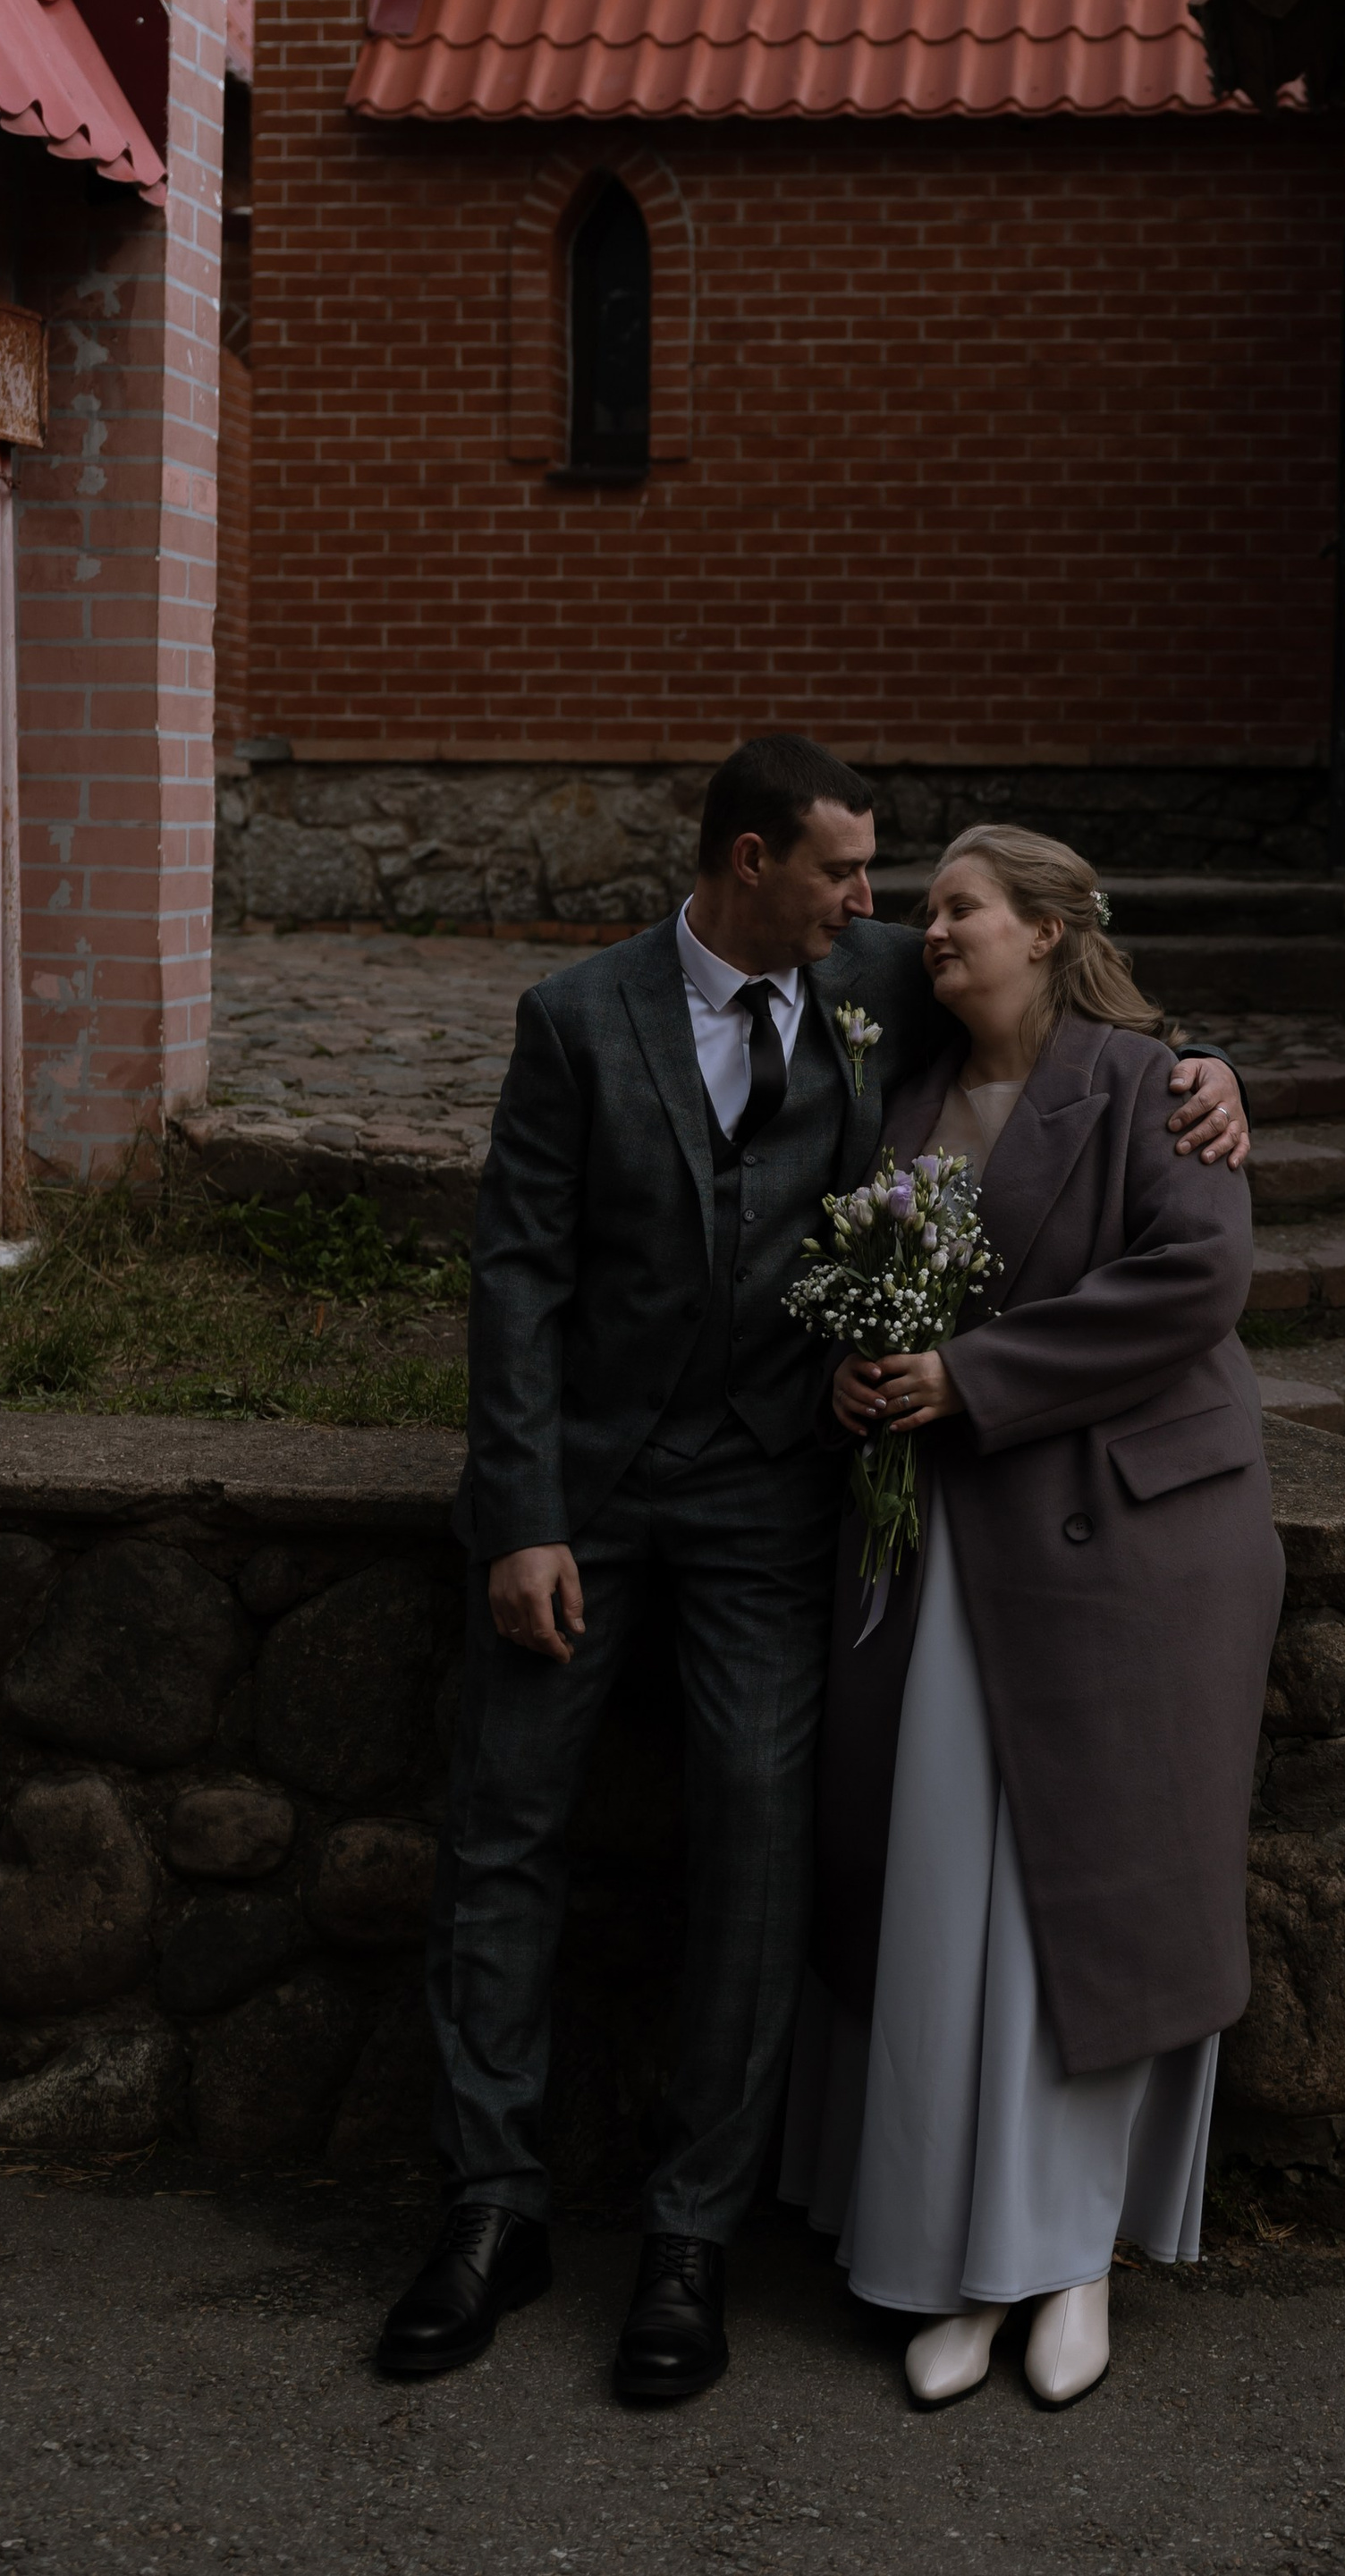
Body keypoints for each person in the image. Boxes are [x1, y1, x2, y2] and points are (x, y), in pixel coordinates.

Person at [373, 738, 1248, 2403]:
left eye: (897, 886)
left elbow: (1070, 1018)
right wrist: (524, 1511)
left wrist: (1212, 1061)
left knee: (761, 1854)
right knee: (503, 1834)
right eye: (848, 872)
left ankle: (694, 2234)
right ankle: (490, 2210)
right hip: (589, 1505)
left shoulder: (874, 987)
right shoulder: (577, 1016)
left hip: (775, 1506)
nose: (880, 905)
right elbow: (518, 1278)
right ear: (753, 858)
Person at [781, 826, 1282, 2409]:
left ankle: (1073, 2261)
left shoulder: (1153, 1083)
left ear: (1053, 931)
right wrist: (852, 1375)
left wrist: (971, 1379)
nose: (930, 930)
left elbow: (1197, 1280)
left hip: (1131, 1558)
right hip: (940, 1554)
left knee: (1094, 1905)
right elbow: (845, 1285)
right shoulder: (899, 1093)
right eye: (920, 908)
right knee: (948, 1896)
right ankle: (951, 2262)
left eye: (962, 909)